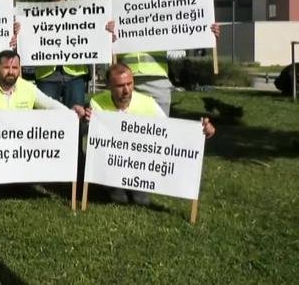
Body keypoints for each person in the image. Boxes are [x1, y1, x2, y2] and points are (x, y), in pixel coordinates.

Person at [73, 63, 216, 205]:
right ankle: (111, 187)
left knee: (141, 201)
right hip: (111, 165)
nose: (126, 90)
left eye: (130, 84)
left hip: (139, 166)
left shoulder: (148, 103)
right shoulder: (97, 103)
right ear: (109, 86)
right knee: (119, 199)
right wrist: (84, 118)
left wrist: (201, 131)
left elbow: (171, 132)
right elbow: (92, 135)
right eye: (120, 86)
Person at [111, 0, 222, 115]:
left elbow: (188, 24)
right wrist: (107, 34)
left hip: (157, 79)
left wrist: (207, 31)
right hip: (127, 80)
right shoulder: (114, 9)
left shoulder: (164, 6)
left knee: (159, 132)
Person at [0, 50, 67, 111]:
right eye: (6, 67)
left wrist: (71, 113)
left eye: (15, 68)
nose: (11, 72)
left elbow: (49, 104)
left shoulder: (28, 88)